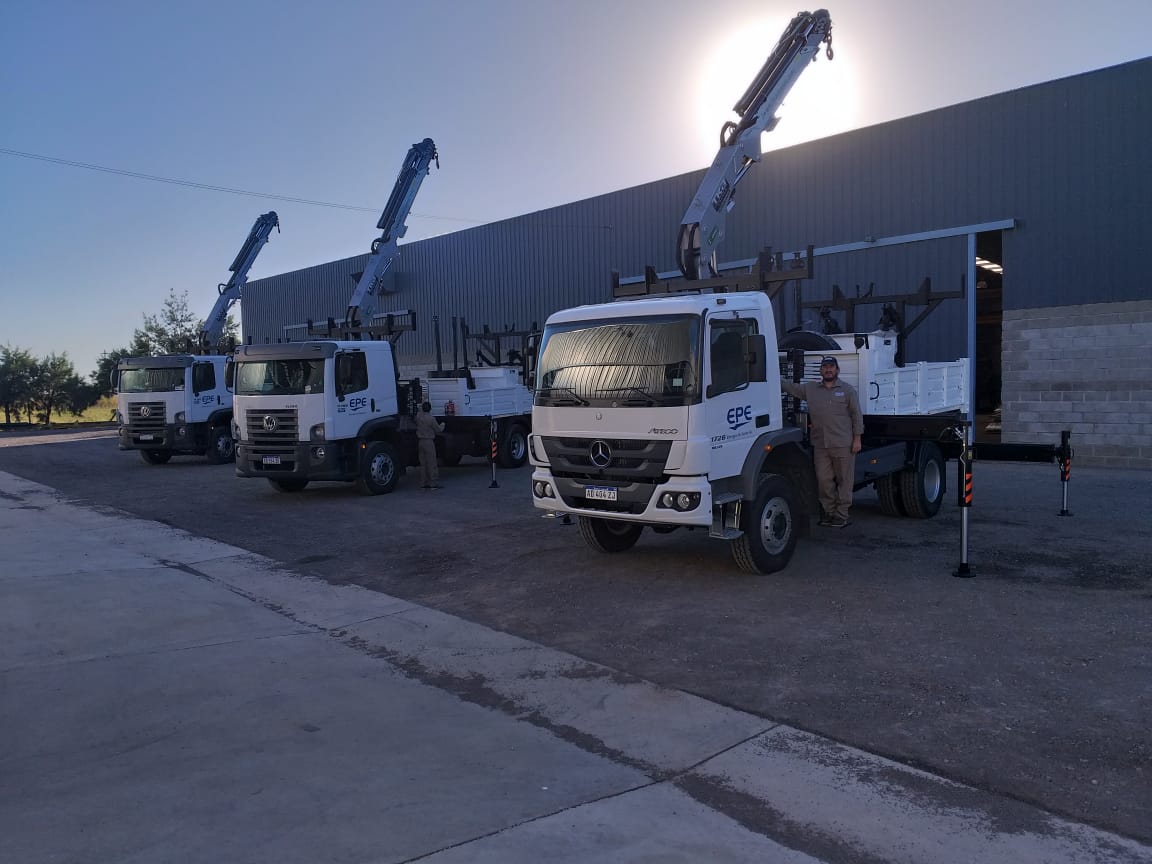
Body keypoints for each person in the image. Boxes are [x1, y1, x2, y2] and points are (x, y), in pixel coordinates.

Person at [781, 356, 863, 527]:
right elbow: (790, 387)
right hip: (820, 445)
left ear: (837, 370)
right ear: (821, 370)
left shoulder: (848, 391)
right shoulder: (811, 389)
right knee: (824, 481)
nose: (828, 369)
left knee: (844, 481)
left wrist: (857, 439)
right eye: (825, 366)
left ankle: (841, 515)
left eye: (831, 366)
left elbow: (857, 415)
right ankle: (829, 512)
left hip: (843, 443)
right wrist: (771, 376)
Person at [415, 401, 445, 490]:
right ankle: (433, 483)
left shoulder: (418, 417)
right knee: (432, 463)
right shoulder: (431, 419)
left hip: (420, 442)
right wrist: (443, 424)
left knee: (423, 464)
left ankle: (423, 482)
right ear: (430, 409)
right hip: (429, 442)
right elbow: (438, 430)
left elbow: (418, 411)